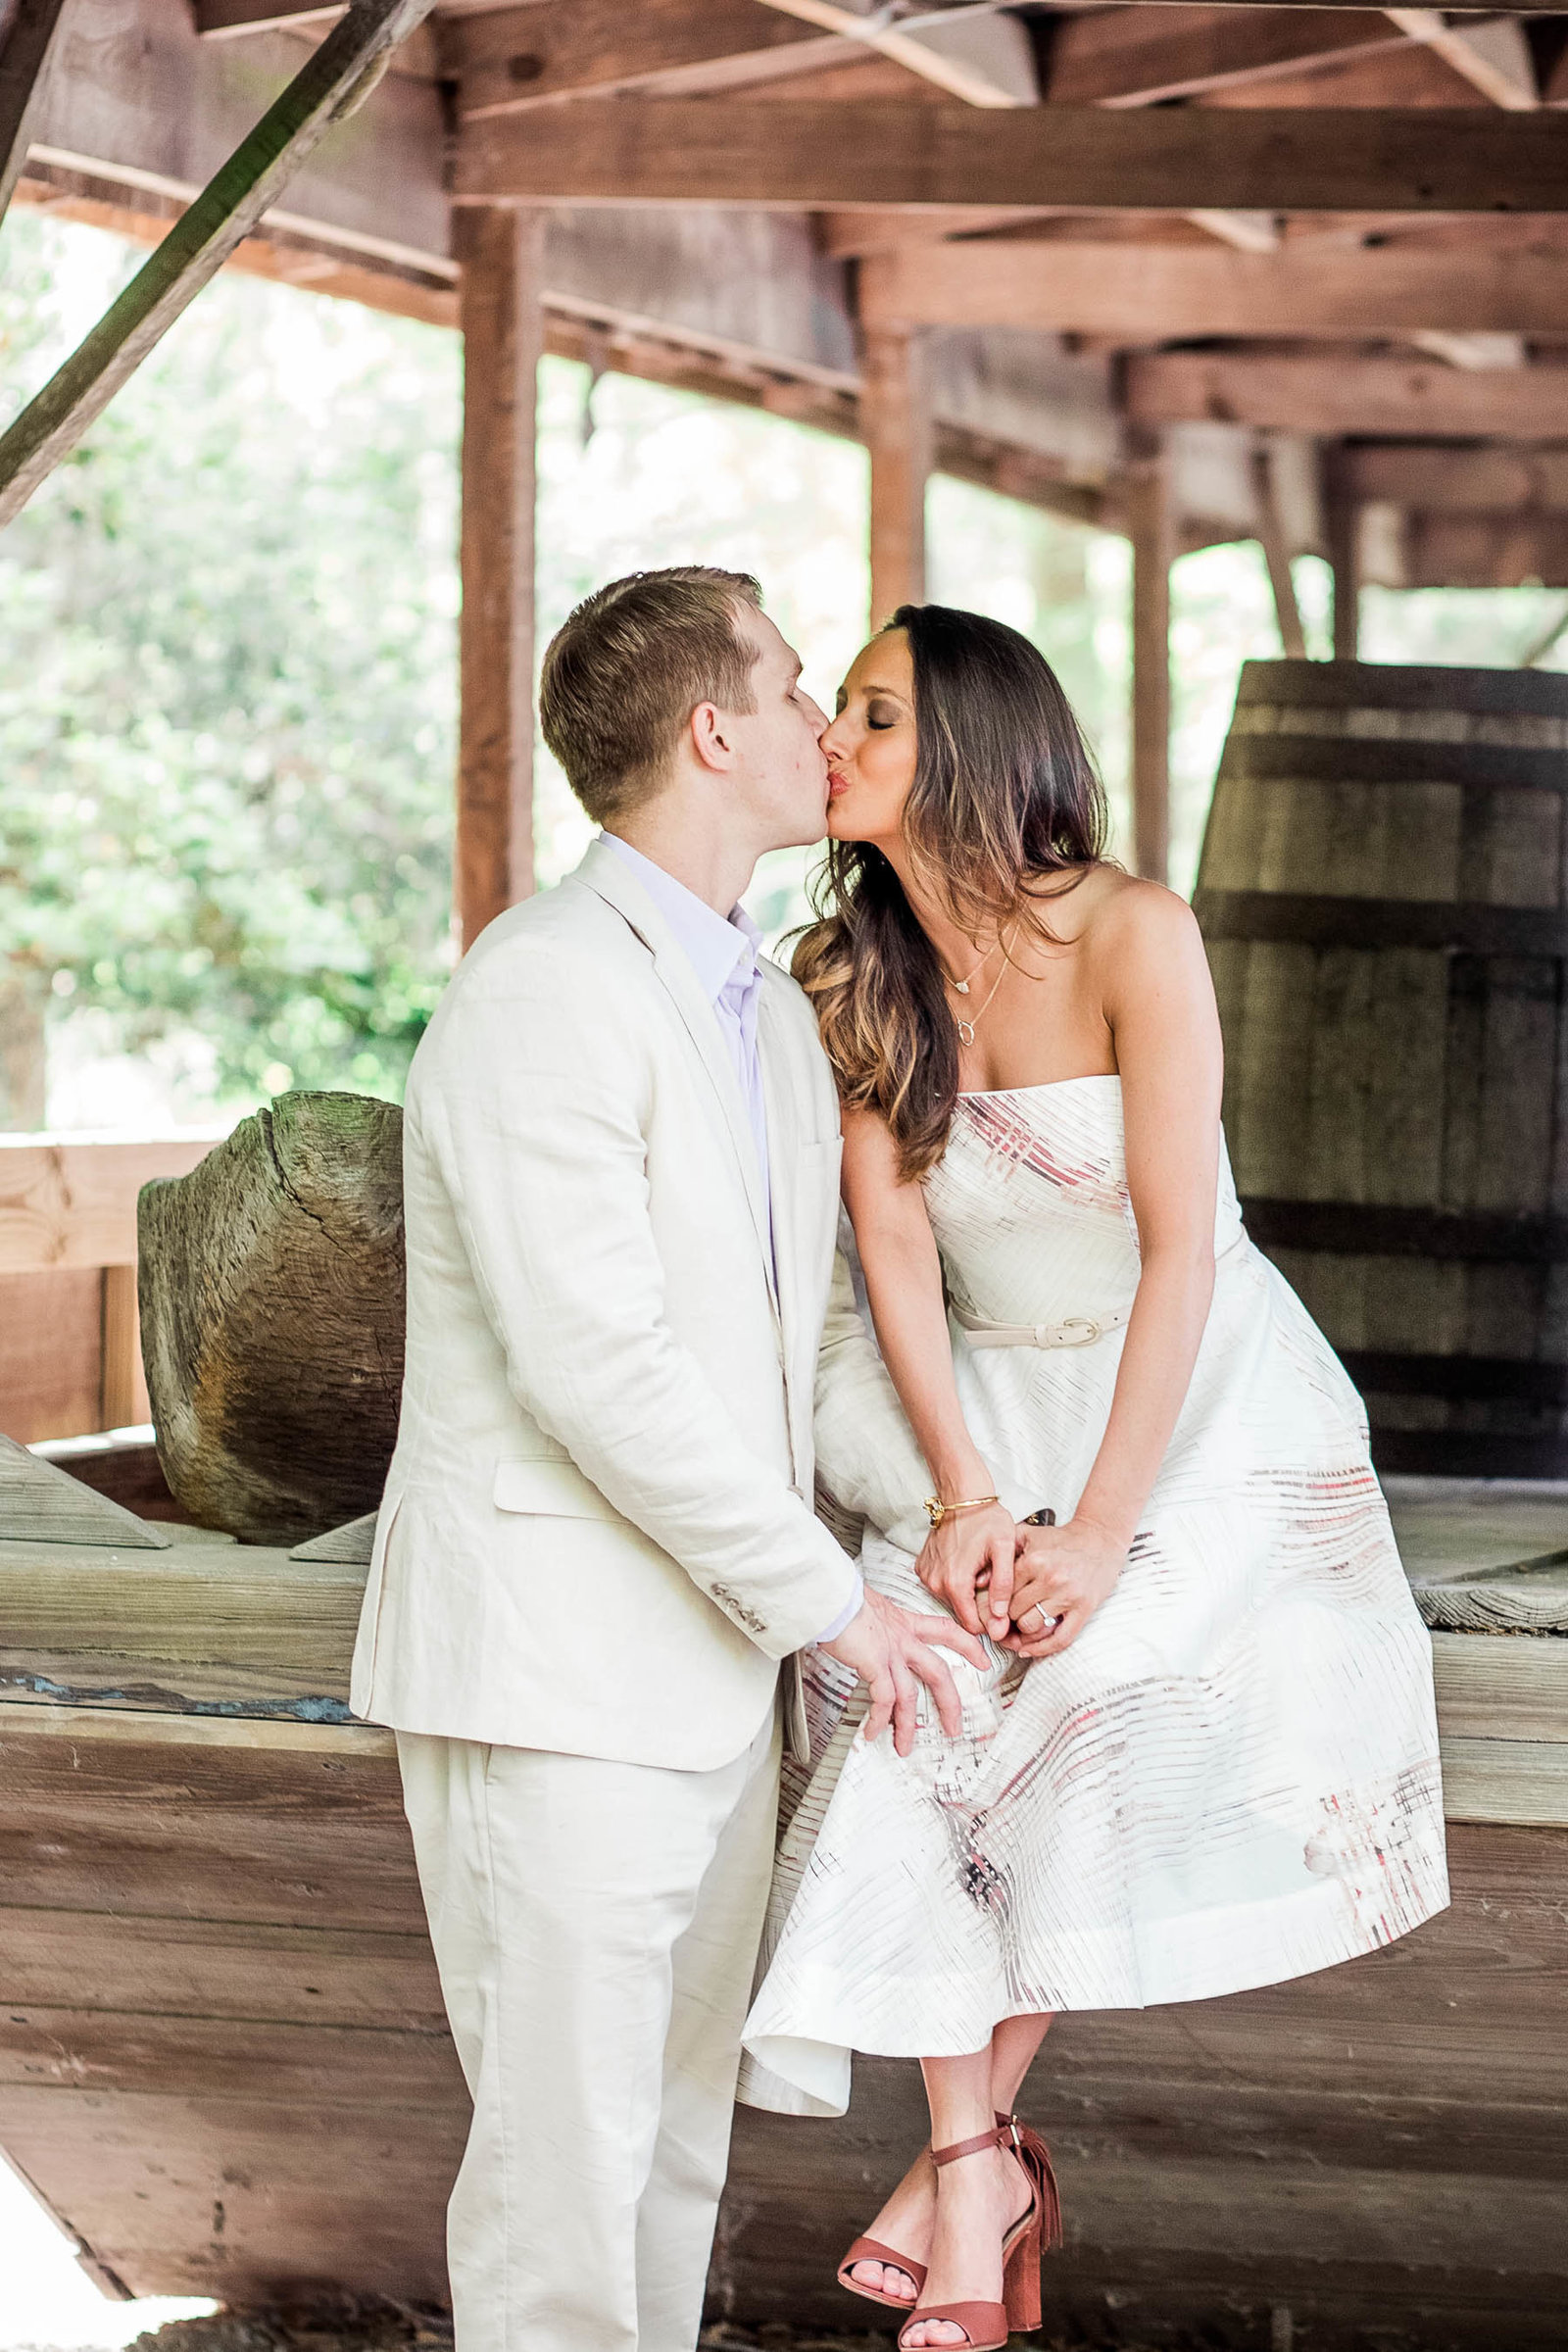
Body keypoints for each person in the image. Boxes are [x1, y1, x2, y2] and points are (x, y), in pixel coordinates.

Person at [740, 603, 1450, 2352]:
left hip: (1194, 1397)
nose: (835, 738)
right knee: (921, 1701)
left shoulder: (1135, 929)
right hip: (984, 1404)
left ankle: (971, 2170)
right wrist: (970, 1499)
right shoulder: (847, 970)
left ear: (976, 743)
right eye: (836, 711)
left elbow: (1184, 1251)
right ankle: (977, 2166)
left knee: (1103, 1672)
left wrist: (1109, 1533)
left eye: (878, 717)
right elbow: (895, 1252)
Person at [349, 566, 984, 2352]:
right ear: (713, 733)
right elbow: (597, 1369)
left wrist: (972, 1519)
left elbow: (804, 1362)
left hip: (711, 1685)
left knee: (670, 2163)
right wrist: (827, 1612)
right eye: (793, 688)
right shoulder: (539, 986)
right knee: (563, 2180)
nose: (816, 722)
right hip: (554, 1679)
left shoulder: (769, 1017)